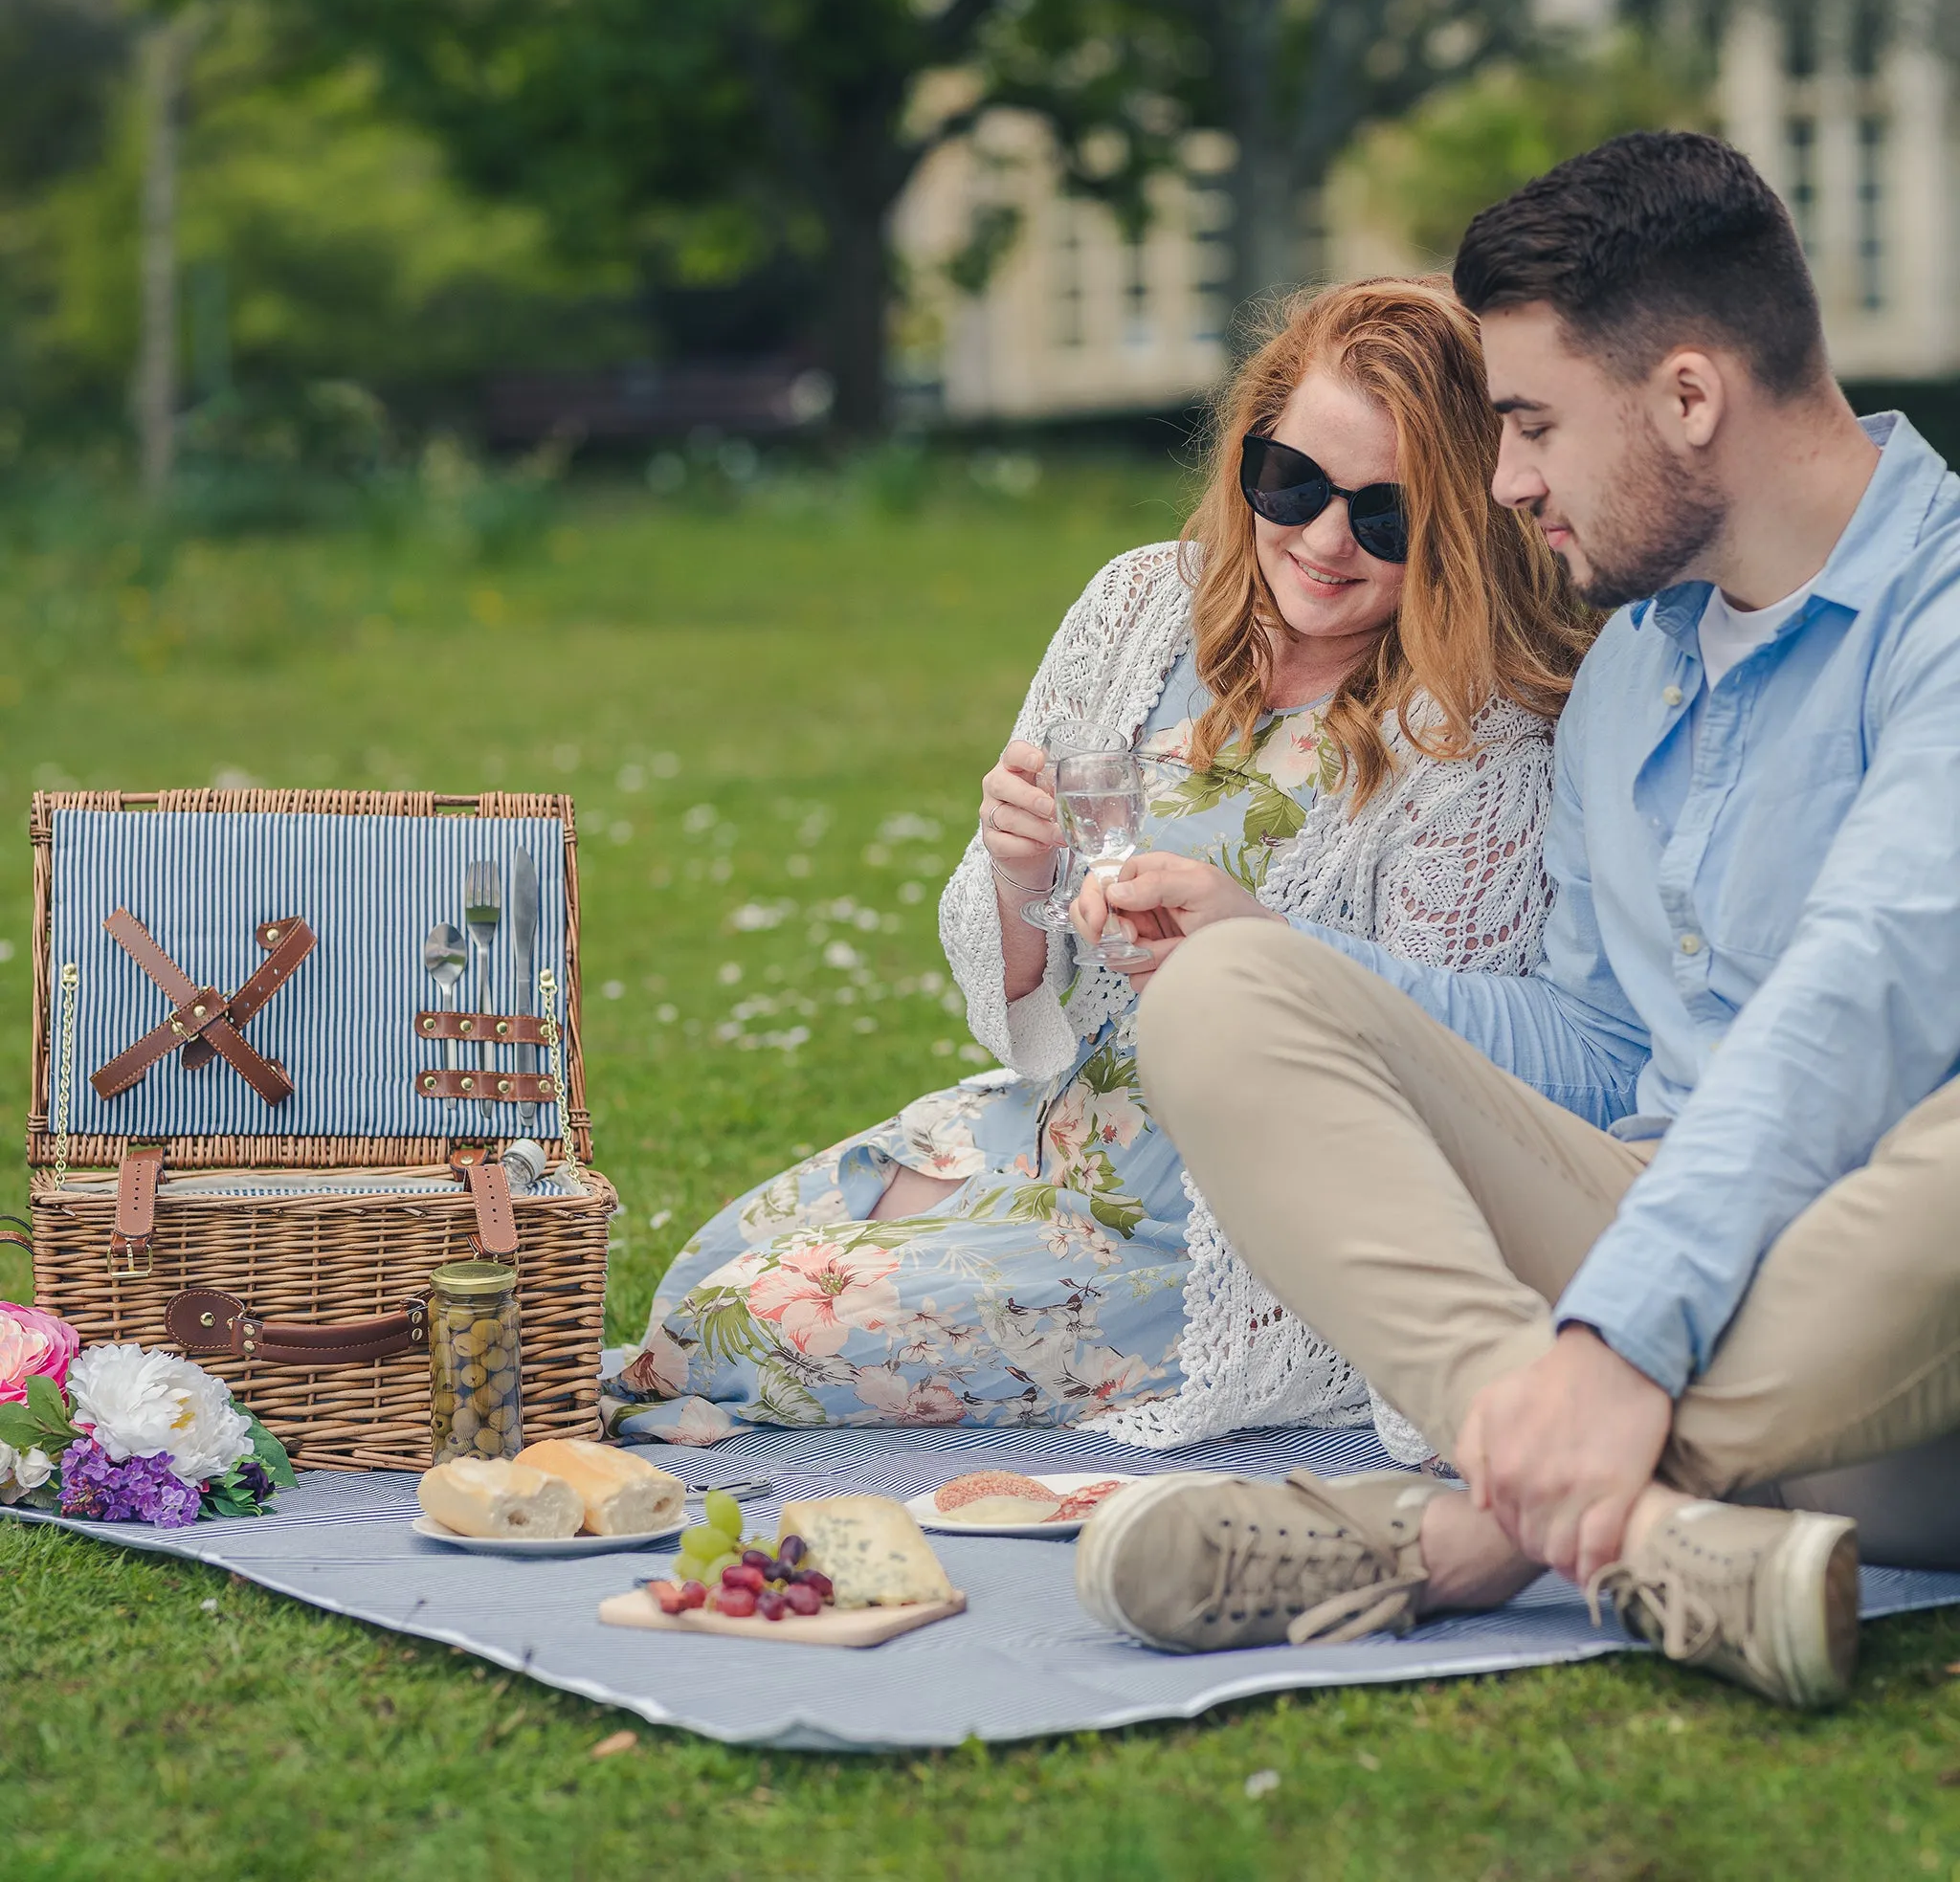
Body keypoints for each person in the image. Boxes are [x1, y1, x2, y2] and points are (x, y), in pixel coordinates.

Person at [1080, 130, 1960, 1710]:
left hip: (1895, 1350)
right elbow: (1601, 1039)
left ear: (1687, 396)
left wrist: (1616, 1347)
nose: (1501, 485)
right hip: (1668, 1240)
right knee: (1220, 996)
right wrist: (1275, 949)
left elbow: (1860, 999)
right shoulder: (1631, 666)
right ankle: (1639, 1524)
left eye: (1531, 424)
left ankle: (1472, 1531)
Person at [606, 276, 1591, 1446]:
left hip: (1225, 1231)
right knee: (700, 1274)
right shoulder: (1136, 606)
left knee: (736, 1324)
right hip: (1051, 1120)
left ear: (1462, 526)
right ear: (1247, 452)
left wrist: (1248, 950)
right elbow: (1013, 965)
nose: (1325, 540)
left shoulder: (1472, 741)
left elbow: (1441, 1083)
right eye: (1293, 483)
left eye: (1386, 515)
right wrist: (1019, 869)